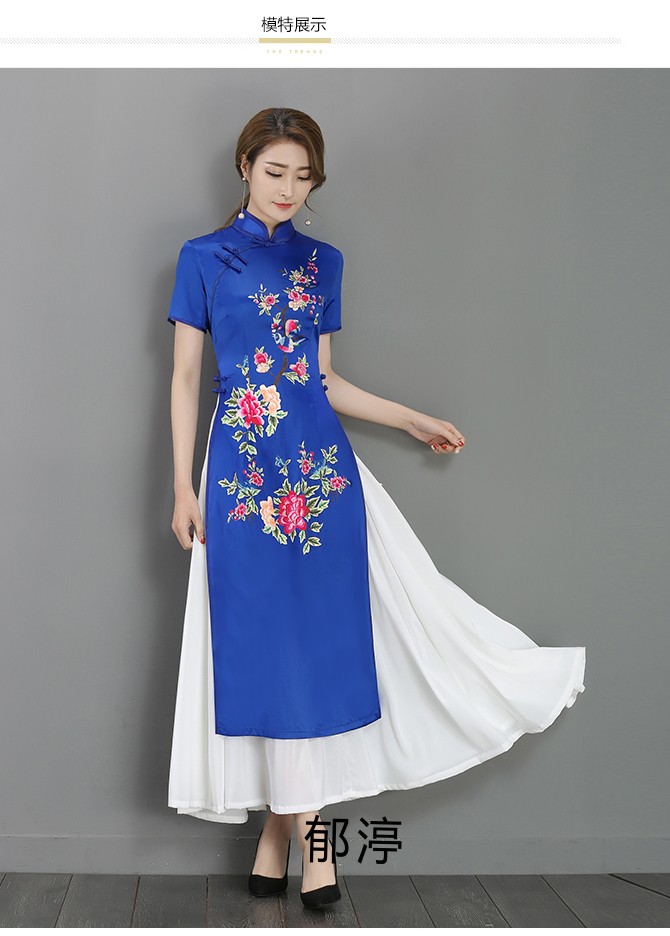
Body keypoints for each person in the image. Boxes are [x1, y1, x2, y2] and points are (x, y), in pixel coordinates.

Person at [166, 107, 586, 910]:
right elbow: (187, 378)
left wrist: (409, 418)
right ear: (245, 167)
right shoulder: (203, 258)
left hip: (320, 475)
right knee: (263, 653)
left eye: (303, 176)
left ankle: (282, 838)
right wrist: (183, 486)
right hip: (242, 478)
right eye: (274, 171)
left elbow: (321, 380)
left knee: (315, 656)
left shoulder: (322, 263)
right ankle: (309, 843)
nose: (288, 188)